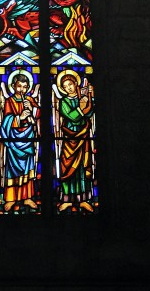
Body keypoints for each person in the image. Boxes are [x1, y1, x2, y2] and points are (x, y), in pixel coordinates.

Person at [0, 73, 40, 211]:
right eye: (19, 86)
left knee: (28, 169)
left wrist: (32, 109)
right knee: (12, 170)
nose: (21, 90)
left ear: (28, 87)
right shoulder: (9, 101)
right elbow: (6, 121)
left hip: (28, 139)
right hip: (14, 140)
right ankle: (11, 198)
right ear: (13, 86)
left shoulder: (29, 99)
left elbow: (40, 115)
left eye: (24, 87)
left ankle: (27, 197)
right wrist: (19, 117)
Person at [56, 71, 95, 212]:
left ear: (75, 84)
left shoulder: (81, 97)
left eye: (70, 84)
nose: (69, 88)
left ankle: (83, 199)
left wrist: (90, 97)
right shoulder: (63, 102)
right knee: (68, 167)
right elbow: (72, 117)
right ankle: (67, 198)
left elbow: (90, 112)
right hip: (70, 137)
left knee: (82, 169)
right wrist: (81, 107)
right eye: (65, 86)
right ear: (63, 89)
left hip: (83, 136)